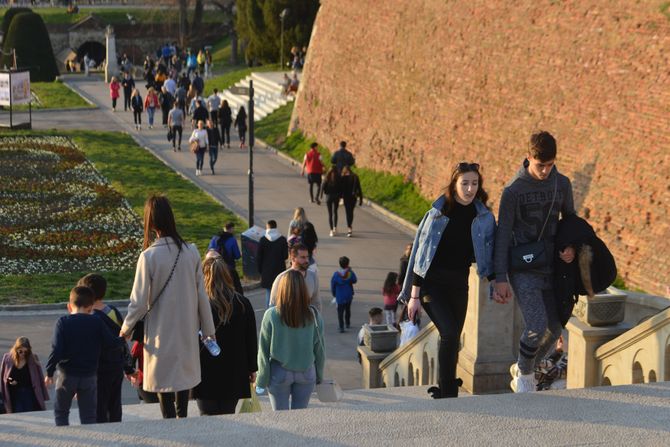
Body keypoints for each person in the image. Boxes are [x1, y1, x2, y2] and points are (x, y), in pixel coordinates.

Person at [399, 162, 496, 399]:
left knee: (454, 338)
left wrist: (496, 280)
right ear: (454, 184)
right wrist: (414, 296)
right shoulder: (438, 214)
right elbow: (421, 256)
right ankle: (447, 389)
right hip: (432, 284)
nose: (470, 188)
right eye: (465, 183)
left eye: (474, 183)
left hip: (459, 285)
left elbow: (489, 249)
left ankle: (448, 382)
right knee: (450, 332)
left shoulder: (483, 216)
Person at [492, 131, 576, 393]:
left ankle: (522, 366)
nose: (545, 171)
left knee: (554, 328)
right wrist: (500, 278)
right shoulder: (513, 191)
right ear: (528, 158)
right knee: (537, 324)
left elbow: (571, 222)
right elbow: (503, 234)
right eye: (541, 165)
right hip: (523, 267)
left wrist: (570, 247)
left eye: (550, 165)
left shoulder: (561, 184)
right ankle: (526, 378)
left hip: (553, 266)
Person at [120, 195, 216, 419]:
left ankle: (170, 421)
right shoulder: (190, 251)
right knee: (183, 377)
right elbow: (202, 294)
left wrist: (126, 328)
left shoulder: (148, 256)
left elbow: (139, 301)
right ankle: (183, 417)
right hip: (187, 328)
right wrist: (209, 330)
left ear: (150, 223)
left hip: (160, 331)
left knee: (164, 381)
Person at [45, 286, 125, 426]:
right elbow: (111, 343)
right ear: (91, 306)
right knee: (88, 415)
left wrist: (49, 372)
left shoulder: (63, 322)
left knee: (61, 411)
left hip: (67, 374)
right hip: (89, 376)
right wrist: (123, 338)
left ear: (69, 306)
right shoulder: (96, 322)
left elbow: (56, 350)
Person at [193, 256, 258, 416]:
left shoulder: (198, 304)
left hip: (205, 371)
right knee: (229, 412)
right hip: (234, 370)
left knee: (207, 415)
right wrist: (252, 368)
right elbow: (250, 339)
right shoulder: (243, 303)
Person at [257, 270, 325, 411]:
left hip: (279, 372)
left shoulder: (271, 315)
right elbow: (319, 349)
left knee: (281, 418)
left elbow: (263, 350)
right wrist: (320, 376)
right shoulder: (313, 314)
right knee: (300, 417)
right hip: (307, 371)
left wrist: (261, 380)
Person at [76, 274, 135, 423]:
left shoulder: (87, 316)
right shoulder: (113, 311)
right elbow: (122, 341)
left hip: (97, 369)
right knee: (115, 405)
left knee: (99, 407)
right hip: (115, 366)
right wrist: (128, 368)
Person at [1, 337, 49, 414]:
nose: (23, 354)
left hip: (29, 393)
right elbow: (3, 376)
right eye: (20, 351)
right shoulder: (7, 358)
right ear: (16, 349)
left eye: (26, 352)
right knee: (17, 413)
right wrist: (9, 380)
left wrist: (43, 393)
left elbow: (39, 377)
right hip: (14, 394)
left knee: (31, 413)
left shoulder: (33, 358)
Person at [270, 243, 321, 311]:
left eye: (307, 257)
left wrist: (316, 319)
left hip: (307, 320)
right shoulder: (281, 278)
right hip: (286, 320)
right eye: (303, 257)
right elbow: (273, 305)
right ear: (293, 259)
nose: (306, 261)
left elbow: (316, 303)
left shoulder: (313, 277)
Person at [207, 222, 244, 295]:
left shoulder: (215, 238)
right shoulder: (232, 240)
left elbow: (210, 251)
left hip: (215, 267)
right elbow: (237, 255)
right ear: (231, 229)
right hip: (229, 267)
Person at [331, 256, 358, 333]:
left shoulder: (336, 274)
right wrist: (351, 271)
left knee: (340, 312)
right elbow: (355, 280)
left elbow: (333, 285)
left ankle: (341, 327)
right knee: (348, 310)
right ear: (347, 264)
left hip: (340, 296)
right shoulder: (349, 273)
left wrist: (334, 293)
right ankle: (348, 323)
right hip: (348, 295)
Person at [339, 166, 363, 237]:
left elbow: (340, 189)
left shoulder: (343, 178)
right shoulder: (355, 177)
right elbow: (359, 188)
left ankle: (349, 227)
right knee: (351, 212)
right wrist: (361, 199)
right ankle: (350, 226)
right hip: (353, 198)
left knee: (348, 212)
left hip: (346, 198)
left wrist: (339, 198)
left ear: (344, 171)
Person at [322, 166, 341, 237]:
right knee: (335, 212)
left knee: (330, 214)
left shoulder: (327, 178)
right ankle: (335, 228)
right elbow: (341, 188)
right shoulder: (338, 178)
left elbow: (323, 187)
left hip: (328, 197)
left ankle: (331, 230)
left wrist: (324, 193)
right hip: (336, 197)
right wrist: (340, 195)